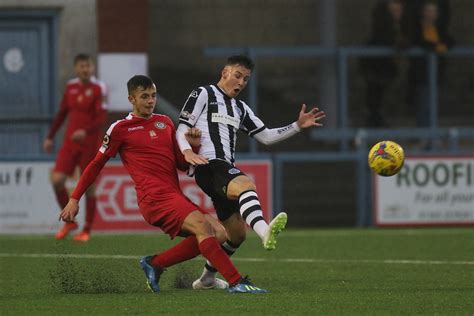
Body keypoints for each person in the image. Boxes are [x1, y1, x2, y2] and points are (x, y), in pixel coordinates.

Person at [59, 75, 267, 294]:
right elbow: (95, 165)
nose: (150, 101)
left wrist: (193, 147)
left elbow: (179, 162)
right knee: (203, 227)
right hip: (153, 198)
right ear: (132, 99)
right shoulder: (120, 128)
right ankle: (236, 282)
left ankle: (156, 263)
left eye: (153, 96)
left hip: (173, 195)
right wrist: (74, 199)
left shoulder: (165, 123)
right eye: (144, 96)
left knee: (220, 233)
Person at [176, 55, 326, 289]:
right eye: (237, 75)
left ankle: (206, 279)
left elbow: (266, 136)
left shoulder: (240, 108)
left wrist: (296, 126)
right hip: (209, 164)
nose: (241, 82)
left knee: (236, 235)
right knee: (246, 185)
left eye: (245, 79)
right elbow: (183, 126)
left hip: (222, 170)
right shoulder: (204, 93)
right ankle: (265, 231)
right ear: (225, 72)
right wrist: (186, 151)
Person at [43, 53, 108, 242]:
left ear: (92, 68)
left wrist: (85, 131)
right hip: (70, 143)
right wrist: (49, 136)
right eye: (81, 66)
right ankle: (71, 222)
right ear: (76, 68)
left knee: (90, 187)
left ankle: (87, 230)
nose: (85, 69)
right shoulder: (71, 87)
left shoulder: (99, 88)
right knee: (57, 180)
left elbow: (101, 118)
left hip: (90, 143)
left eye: (88, 66)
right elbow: (62, 112)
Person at [359, 0, 409, 127]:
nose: (399, 14)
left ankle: (377, 119)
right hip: (376, 66)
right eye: (395, 11)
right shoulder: (382, 28)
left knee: (380, 95)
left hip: (385, 67)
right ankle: (374, 121)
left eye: (400, 11)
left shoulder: (399, 27)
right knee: (374, 94)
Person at [406, 0, 454, 127]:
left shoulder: (439, 29)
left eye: (433, 11)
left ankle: (432, 135)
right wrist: (435, 47)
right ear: (423, 13)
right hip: (421, 74)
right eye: (428, 11)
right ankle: (424, 136)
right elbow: (421, 43)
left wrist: (442, 46)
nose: (430, 14)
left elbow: (450, 41)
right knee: (423, 104)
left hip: (437, 73)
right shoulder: (417, 29)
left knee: (434, 103)